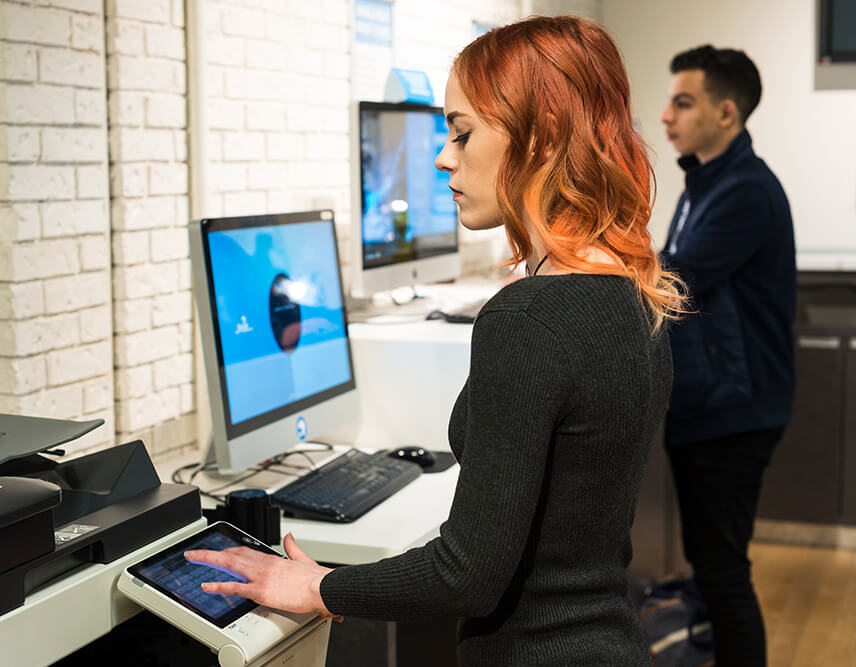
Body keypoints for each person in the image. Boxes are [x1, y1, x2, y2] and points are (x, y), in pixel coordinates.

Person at [186, 16, 685, 665]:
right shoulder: (637, 293)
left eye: (461, 131)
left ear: (542, 136)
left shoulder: (527, 318)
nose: (444, 156)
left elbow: (466, 572)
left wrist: (318, 585)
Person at [659, 45, 796, 666]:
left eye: (683, 103)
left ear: (727, 113)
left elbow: (677, 275)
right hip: (707, 407)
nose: (667, 116)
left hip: (733, 412)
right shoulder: (703, 185)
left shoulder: (745, 193)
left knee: (722, 572)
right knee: (712, 568)